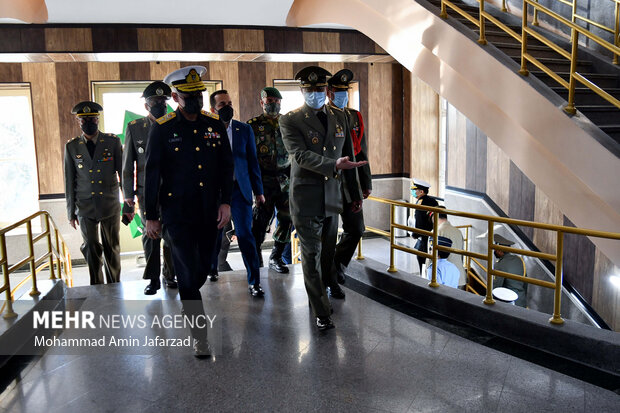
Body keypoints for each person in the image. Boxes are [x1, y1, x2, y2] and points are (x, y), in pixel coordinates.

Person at [144, 66, 233, 357]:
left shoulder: (215, 124)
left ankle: (187, 293)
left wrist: (226, 202)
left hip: (209, 210)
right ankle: (200, 338)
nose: (194, 100)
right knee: (184, 270)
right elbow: (151, 173)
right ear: (175, 96)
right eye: (188, 95)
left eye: (198, 94)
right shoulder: (164, 127)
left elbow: (226, 167)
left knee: (201, 271)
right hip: (177, 213)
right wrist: (151, 216)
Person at [280, 65, 367, 331]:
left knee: (328, 252)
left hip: (333, 195)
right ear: (302, 90)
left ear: (325, 90)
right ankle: (322, 310)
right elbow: (300, 155)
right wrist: (333, 165)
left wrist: (354, 194)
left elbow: (351, 158)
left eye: (319, 89)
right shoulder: (290, 120)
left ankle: (322, 290)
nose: (315, 93)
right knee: (311, 253)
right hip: (305, 197)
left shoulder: (341, 116)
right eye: (310, 89)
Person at [122, 81, 177, 295]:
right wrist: (128, 195)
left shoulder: (174, 124)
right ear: (146, 106)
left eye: (163, 101)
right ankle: (153, 278)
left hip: (172, 191)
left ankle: (169, 275)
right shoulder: (135, 128)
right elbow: (127, 164)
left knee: (171, 236)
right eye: (155, 102)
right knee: (151, 236)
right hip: (146, 193)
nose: (160, 105)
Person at [208, 89, 265, 297]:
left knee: (245, 235)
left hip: (239, 191)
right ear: (213, 109)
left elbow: (252, 162)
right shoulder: (206, 129)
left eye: (229, 103)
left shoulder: (244, 129)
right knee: (214, 235)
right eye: (222, 104)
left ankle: (254, 281)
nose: (228, 107)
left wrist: (259, 192)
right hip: (215, 193)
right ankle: (212, 268)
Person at [64, 101, 122, 285]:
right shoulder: (72, 147)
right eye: (84, 120)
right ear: (79, 122)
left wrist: (129, 203)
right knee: (90, 245)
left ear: (98, 119)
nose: (89, 122)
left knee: (111, 247)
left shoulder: (112, 142)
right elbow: (69, 180)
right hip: (84, 205)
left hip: (109, 203)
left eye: (92, 119)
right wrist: (70, 212)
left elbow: (123, 173)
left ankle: (114, 284)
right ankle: (96, 284)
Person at [327, 69, 372, 287]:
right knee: (327, 234)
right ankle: (327, 273)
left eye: (346, 91)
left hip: (352, 181)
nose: (342, 95)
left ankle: (337, 266)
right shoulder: (323, 115)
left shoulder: (354, 116)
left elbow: (361, 152)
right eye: (338, 91)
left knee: (356, 228)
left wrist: (366, 183)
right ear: (329, 92)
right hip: (331, 181)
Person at [248, 87, 293, 274]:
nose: (273, 104)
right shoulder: (252, 125)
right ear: (262, 103)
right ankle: (256, 256)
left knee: (287, 219)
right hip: (262, 182)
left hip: (285, 180)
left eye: (276, 101)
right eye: (269, 101)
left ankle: (276, 256)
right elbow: (249, 157)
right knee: (259, 221)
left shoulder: (289, 123)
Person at [411, 178, 438, 275]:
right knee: (432, 258)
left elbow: (419, 221)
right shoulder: (433, 201)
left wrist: (415, 234)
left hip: (424, 236)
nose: (413, 191)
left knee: (421, 257)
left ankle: (424, 276)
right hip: (433, 234)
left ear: (421, 191)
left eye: (415, 190)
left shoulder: (420, 203)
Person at [435, 206, 466, 288]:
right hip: (459, 277)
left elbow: (431, 258)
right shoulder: (458, 231)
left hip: (444, 279)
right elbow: (462, 254)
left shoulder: (436, 232)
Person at [493, 234, 528, 307]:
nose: (494, 252)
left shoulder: (500, 264)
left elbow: (497, 287)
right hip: (521, 301)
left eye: (495, 250)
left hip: (509, 303)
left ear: (499, 251)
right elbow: (525, 283)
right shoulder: (519, 260)